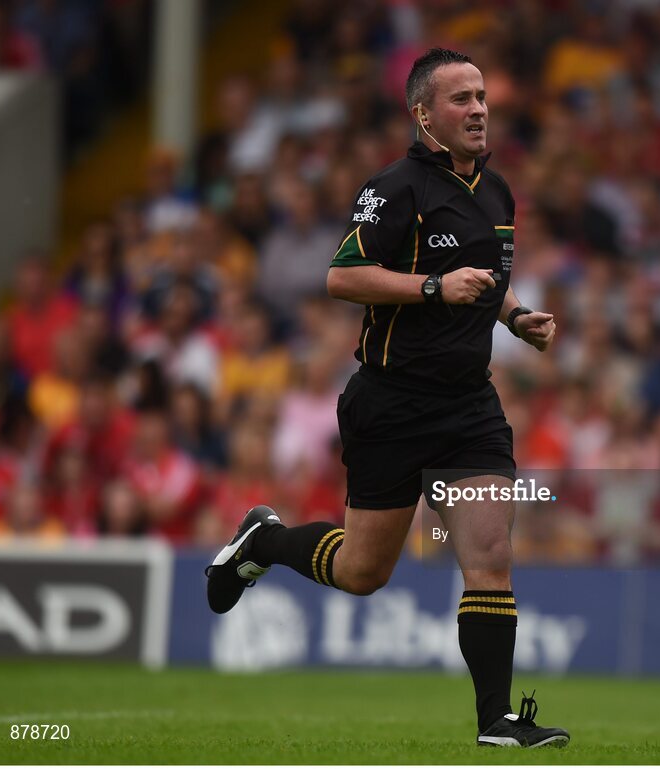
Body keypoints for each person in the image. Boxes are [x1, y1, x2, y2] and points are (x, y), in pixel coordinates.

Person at [204, 47, 568, 749]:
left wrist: (517, 316)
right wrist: (432, 286)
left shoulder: (497, 193)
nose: (479, 109)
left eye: (482, 96)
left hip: (469, 407)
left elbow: (487, 280)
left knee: (490, 552)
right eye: (462, 99)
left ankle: (496, 720)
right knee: (363, 572)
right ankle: (264, 541)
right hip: (391, 402)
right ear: (424, 114)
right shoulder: (394, 188)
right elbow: (343, 277)